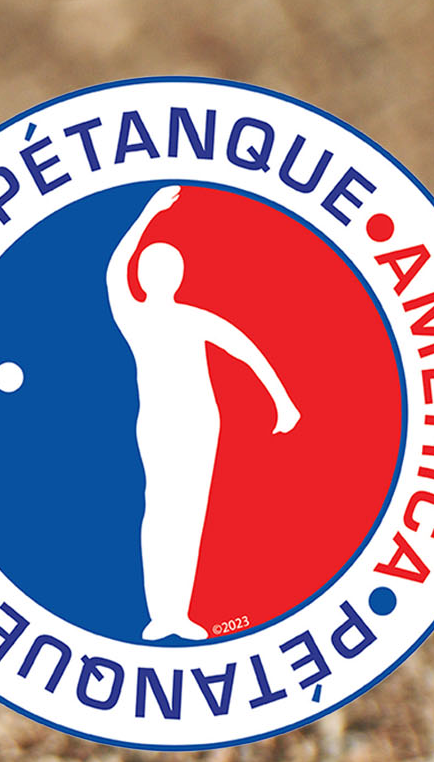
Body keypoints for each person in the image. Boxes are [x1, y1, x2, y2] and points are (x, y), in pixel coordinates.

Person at [104, 185, 301, 641]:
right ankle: (160, 614)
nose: (164, 277)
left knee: (191, 513)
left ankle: (180, 614)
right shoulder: (137, 318)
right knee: (160, 511)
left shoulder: (194, 318)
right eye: (156, 269)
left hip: (202, 424)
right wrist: (147, 214)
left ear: (177, 277)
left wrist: (283, 400)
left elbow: (247, 351)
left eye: (170, 269)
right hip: (159, 425)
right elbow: (115, 270)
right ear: (147, 277)